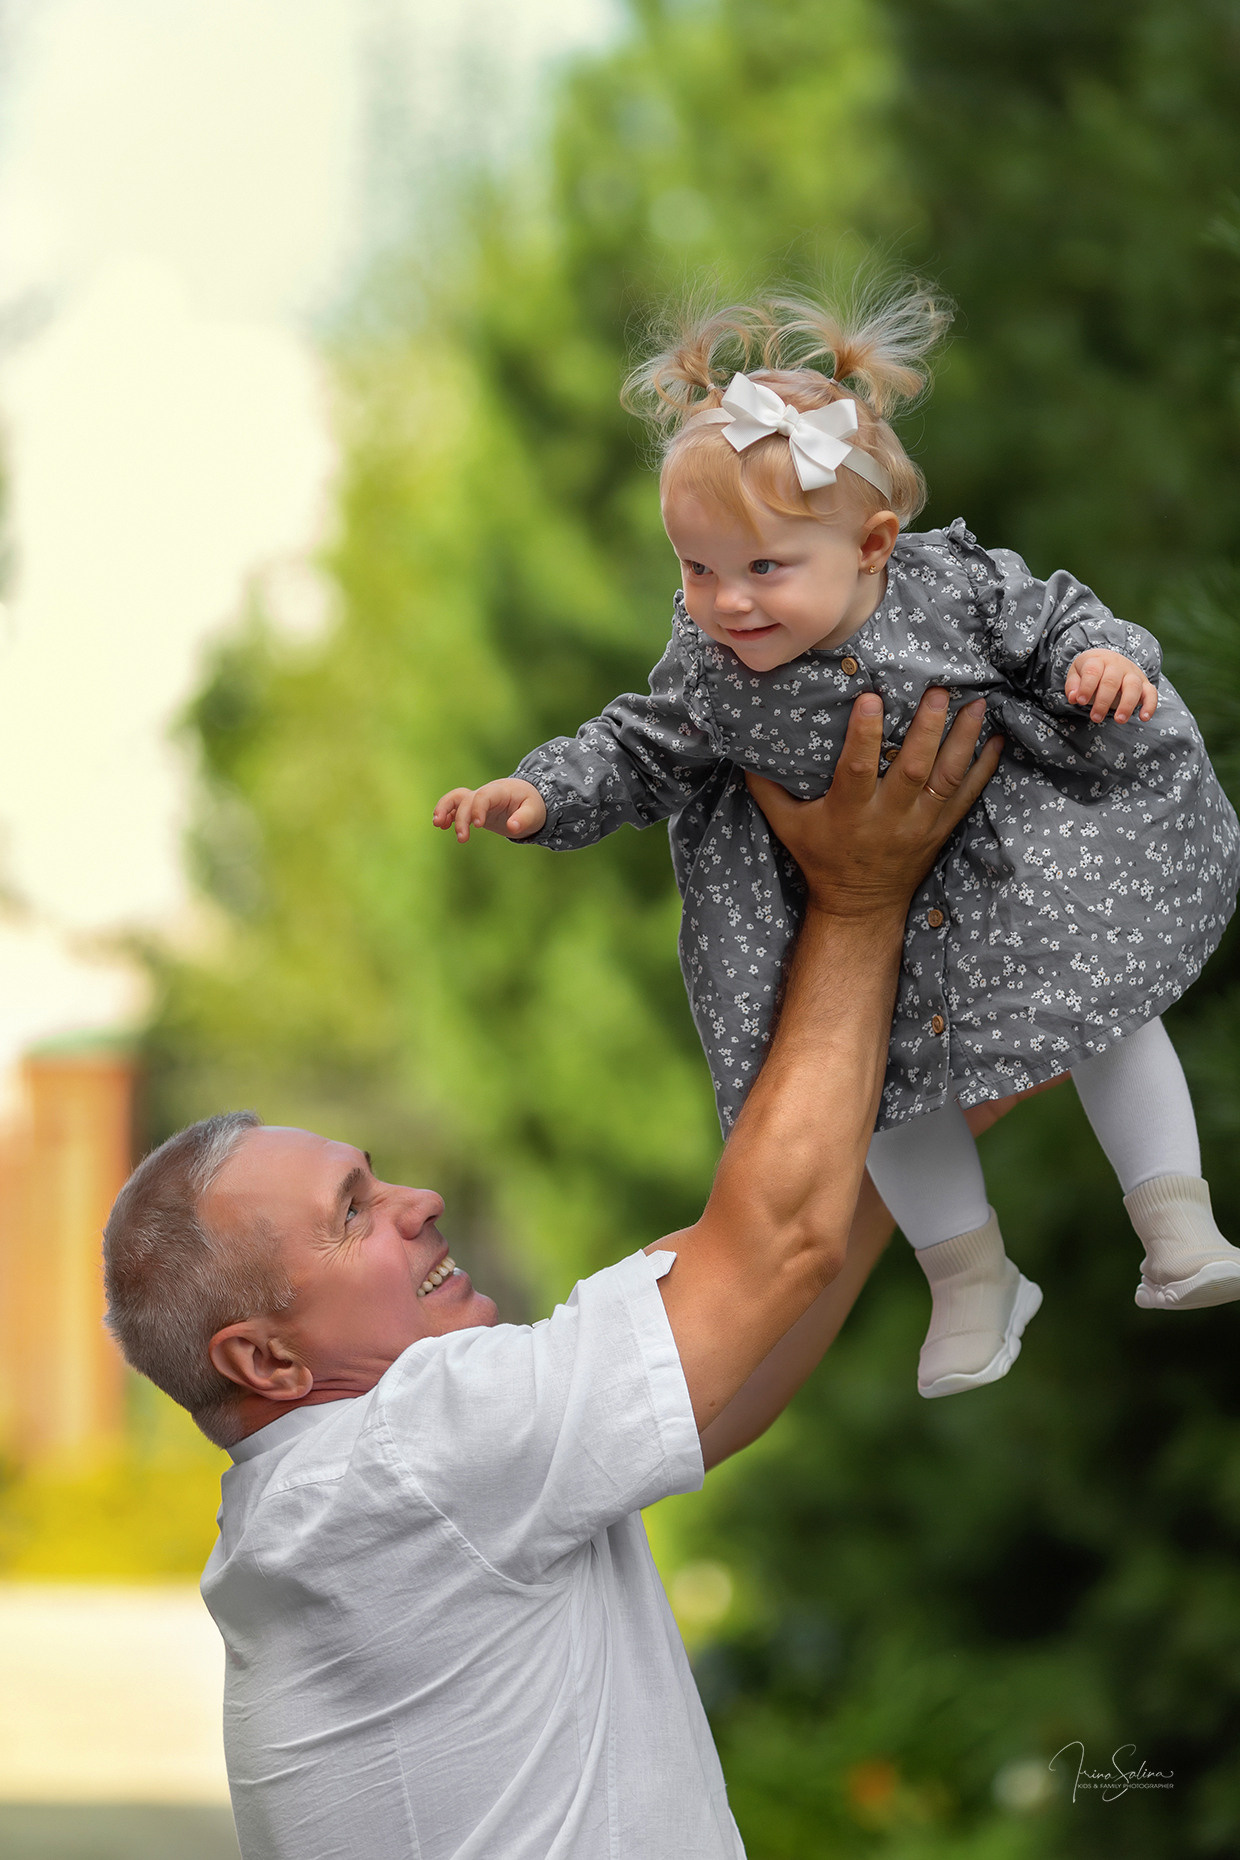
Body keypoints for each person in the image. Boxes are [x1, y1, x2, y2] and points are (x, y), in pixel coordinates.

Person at [103, 691, 999, 1860]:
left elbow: (726, 1356)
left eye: (376, 1180)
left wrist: (909, 1140)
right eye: (353, 1214)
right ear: (265, 1359)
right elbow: (765, 1251)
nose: (416, 1203)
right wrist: (861, 901)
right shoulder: (404, 1458)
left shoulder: (346, 1498)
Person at [434, 281, 1240, 1402]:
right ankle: (969, 1279)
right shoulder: (710, 672)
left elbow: (1059, 617)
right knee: (877, 1102)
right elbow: (635, 744)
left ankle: (1176, 1219)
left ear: (870, 545)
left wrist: (1097, 663)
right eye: (697, 569)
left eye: (762, 568)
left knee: (1109, 1008)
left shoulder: (950, 584)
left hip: (1018, 877)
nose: (725, 603)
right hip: (854, 928)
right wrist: (537, 789)